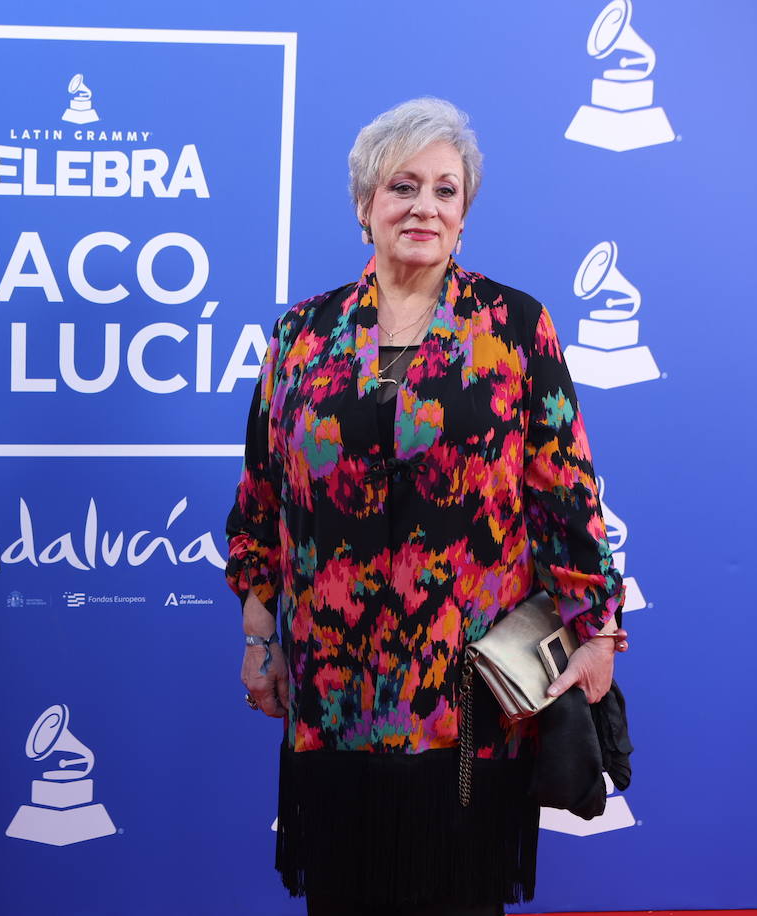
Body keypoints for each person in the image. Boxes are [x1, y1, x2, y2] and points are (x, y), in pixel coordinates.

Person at [225, 98, 628, 915]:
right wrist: (260, 637)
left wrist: (597, 632)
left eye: (447, 190)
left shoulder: (516, 327)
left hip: (467, 690)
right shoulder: (301, 336)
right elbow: (262, 498)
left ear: (465, 213)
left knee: (457, 896)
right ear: (365, 206)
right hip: (333, 693)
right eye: (403, 186)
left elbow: (567, 492)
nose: (425, 207)